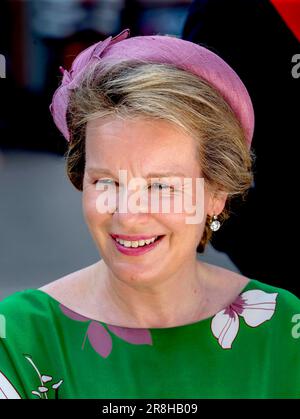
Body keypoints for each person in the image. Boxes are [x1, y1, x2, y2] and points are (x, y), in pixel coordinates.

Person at [0, 28, 299, 399]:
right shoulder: (19, 337)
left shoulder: (286, 329)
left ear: (216, 194)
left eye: (161, 186)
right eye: (106, 182)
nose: (127, 215)